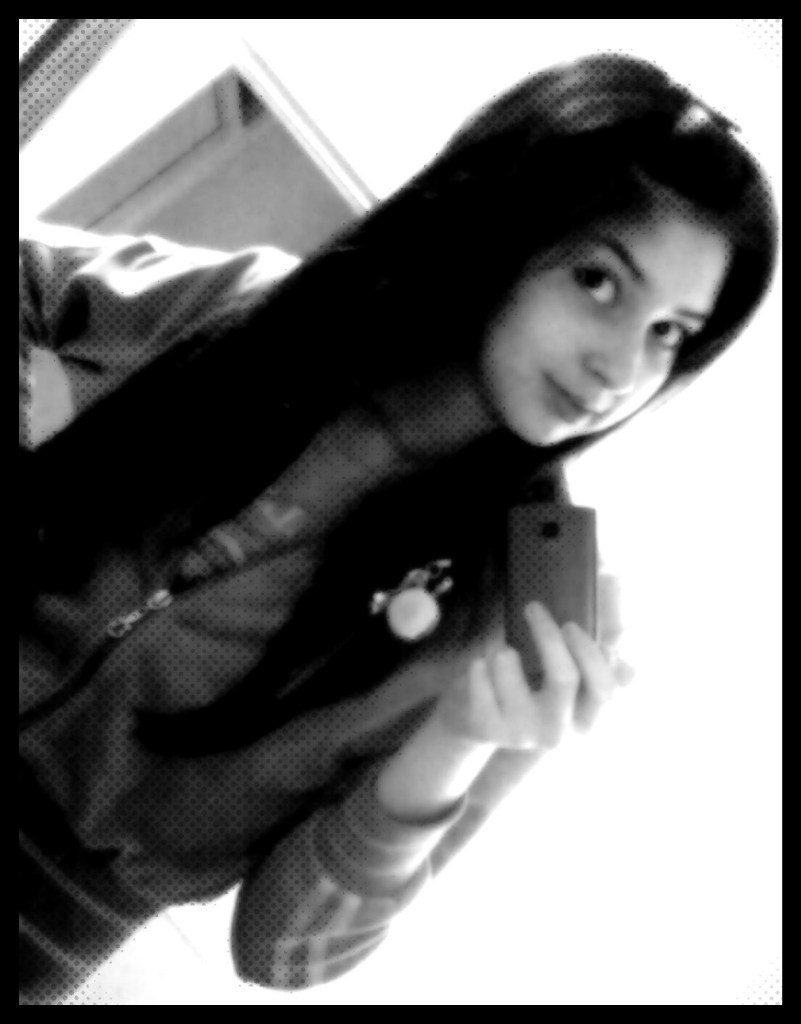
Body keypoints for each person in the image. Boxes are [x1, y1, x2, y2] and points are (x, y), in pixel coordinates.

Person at [18, 52, 777, 1003]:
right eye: (597, 280)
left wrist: (455, 743)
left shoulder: (514, 613)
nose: (623, 368)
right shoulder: (258, 316)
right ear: (501, 225)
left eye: (670, 332)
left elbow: (282, 954)